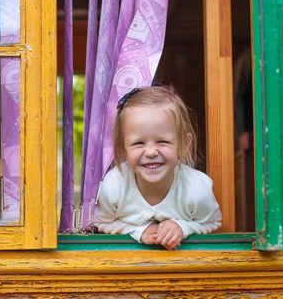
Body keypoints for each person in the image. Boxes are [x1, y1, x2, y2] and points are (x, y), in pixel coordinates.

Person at [94, 86, 222, 250]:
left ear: (183, 144)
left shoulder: (197, 188)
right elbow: (101, 223)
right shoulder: (113, 186)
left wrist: (183, 228)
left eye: (163, 141)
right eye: (139, 143)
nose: (151, 152)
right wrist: (139, 231)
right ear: (123, 149)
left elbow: (213, 223)